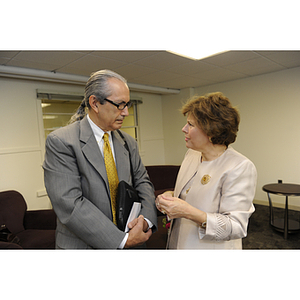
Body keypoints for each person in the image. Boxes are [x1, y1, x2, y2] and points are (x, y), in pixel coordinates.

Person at [43, 69, 157, 249]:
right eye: (120, 104)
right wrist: (121, 240)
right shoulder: (62, 141)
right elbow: (69, 202)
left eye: (128, 104)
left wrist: (145, 221)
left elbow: (143, 183)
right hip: (83, 245)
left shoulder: (128, 142)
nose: (126, 112)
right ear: (95, 103)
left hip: (132, 240)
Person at [156, 92, 257, 249]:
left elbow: (236, 226)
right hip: (178, 242)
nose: (184, 129)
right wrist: (172, 196)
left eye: (191, 124)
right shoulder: (192, 154)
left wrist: (187, 211)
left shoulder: (240, 166)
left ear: (211, 130)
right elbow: (188, 194)